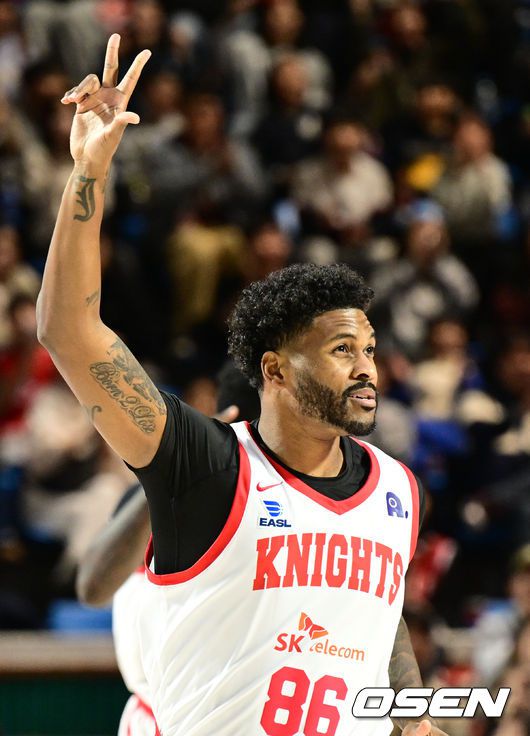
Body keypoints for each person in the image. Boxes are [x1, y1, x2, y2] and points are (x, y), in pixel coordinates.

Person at [37, 35, 446, 736]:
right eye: (342, 350)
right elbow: (70, 332)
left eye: (370, 350)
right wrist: (88, 173)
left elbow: (383, 618)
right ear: (275, 370)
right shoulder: (209, 466)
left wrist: (414, 720)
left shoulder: (398, 491)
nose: (367, 368)